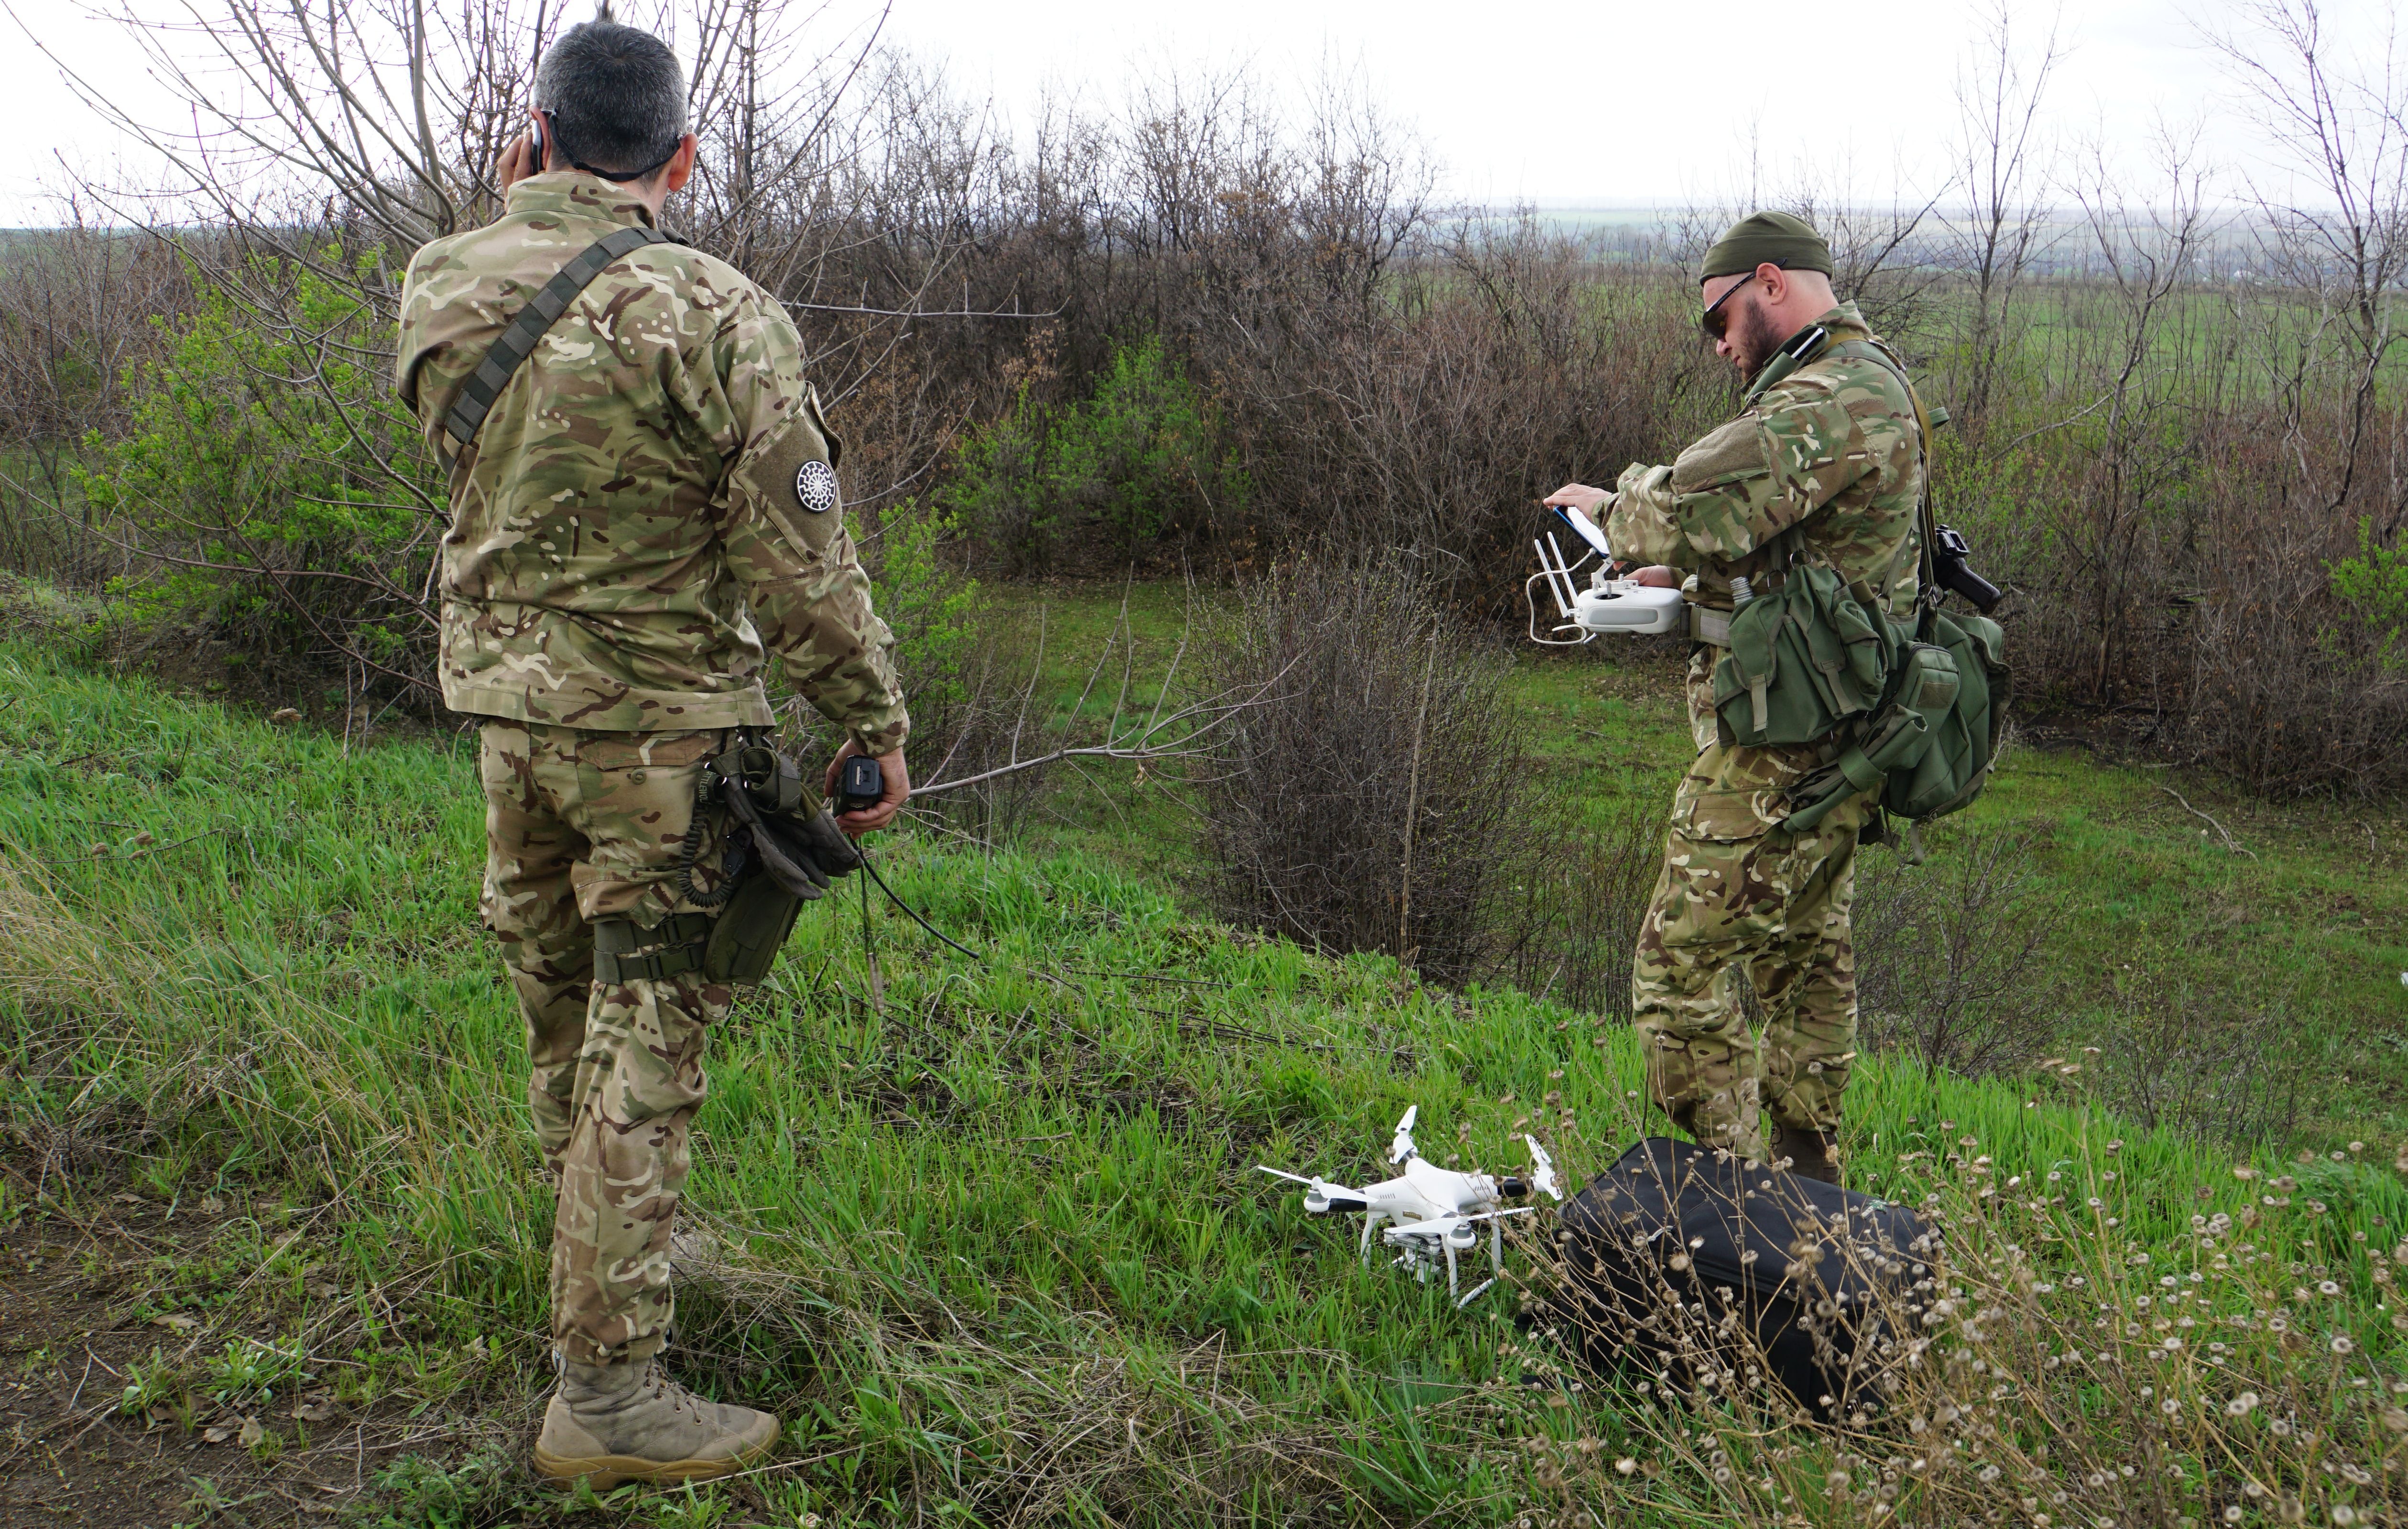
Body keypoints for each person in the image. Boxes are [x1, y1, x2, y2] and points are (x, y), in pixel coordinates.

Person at [394, 16, 910, 1486]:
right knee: (649, 1035)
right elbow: (799, 556)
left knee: (563, 1008)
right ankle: (608, 1390)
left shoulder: (445, 277)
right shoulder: (713, 311)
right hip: (656, 737)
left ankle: (590, 1288)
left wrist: (521, 197)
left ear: (532, 138)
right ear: (681, 159)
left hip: (506, 712)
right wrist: (867, 724)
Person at [1545, 212, 1925, 1183]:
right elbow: (1786, 549)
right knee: (1802, 967)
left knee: (1674, 980)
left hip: (1780, 750)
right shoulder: (1857, 381)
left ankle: (1751, 1212)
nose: (1718, 345)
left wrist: (1608, 506)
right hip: (1836, 741)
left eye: (1718, 320)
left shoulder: (1830, 396)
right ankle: (1812, 1198)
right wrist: (1687, 588)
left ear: (1767, 282)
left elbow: (1684, 506)